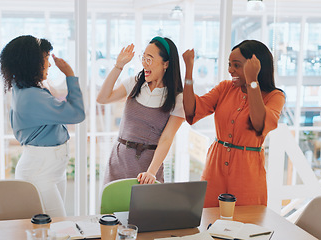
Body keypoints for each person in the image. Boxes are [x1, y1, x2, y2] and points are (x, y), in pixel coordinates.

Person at [182, 40, 285, 207]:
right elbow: (191, 110)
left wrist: (252, 80)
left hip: (247, 172)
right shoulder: (225, 88)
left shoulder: (274, 96)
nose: (230, 70)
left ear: (255, 66)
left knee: (247, 224)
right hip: (215, 168)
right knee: (208, 219)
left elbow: (259, 123)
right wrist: (188, 71)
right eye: (229, 65)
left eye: (236, 65)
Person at [0, 35, 85, 217]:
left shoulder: (23, 89)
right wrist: (70, 75)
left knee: (52, 230)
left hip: (50, 169)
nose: (49, 64)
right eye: (46, 58)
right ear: (32, 62)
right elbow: (77, 114)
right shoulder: (32, 97)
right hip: (40, 173)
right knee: (59, 227)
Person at [97, 36, 185, 185]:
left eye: (149, 59)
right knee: (111, 206)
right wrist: (118, 66)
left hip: (148, 169)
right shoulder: (134, 83)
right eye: (143, 58)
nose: (144, 63)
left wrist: (151, 172)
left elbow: (166, 139)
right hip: (118, 161)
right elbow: (103, 98)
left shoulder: (177, 99)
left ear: (166, 64)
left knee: (146, 208)